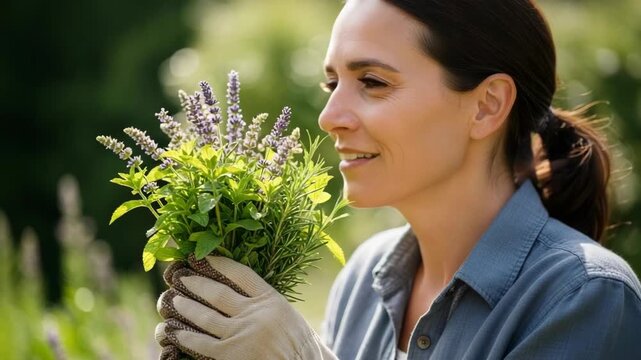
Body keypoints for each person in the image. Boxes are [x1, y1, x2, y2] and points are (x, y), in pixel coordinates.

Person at [154, 0, 641, 359]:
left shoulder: (583, 297)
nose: (329, 116)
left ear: (487, 105)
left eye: (373, 82)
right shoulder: (364, 280)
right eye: (332, 83)